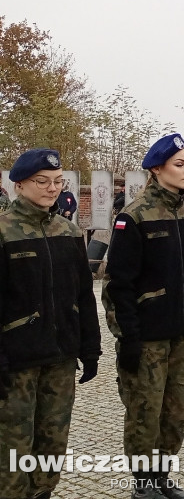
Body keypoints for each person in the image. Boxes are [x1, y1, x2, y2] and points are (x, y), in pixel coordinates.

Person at [104, 133, 184, 499]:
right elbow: (118, 285)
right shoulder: (134, 217)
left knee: (175, 412)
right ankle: (143, 483)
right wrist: (128, 337)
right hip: (148, 337)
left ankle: (162, 475)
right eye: (180, 164)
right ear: (157, 169)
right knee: (144, 411)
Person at [0, 149, 101, 499]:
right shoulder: (4, 230)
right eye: (42, 181)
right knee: (12, 449)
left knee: (53, 444)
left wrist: (91, 348)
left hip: (61, 358)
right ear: (19, 185)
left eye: (58, 182)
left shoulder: (69, 231)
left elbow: (84, 295)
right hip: (16, 362)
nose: (52, 188)